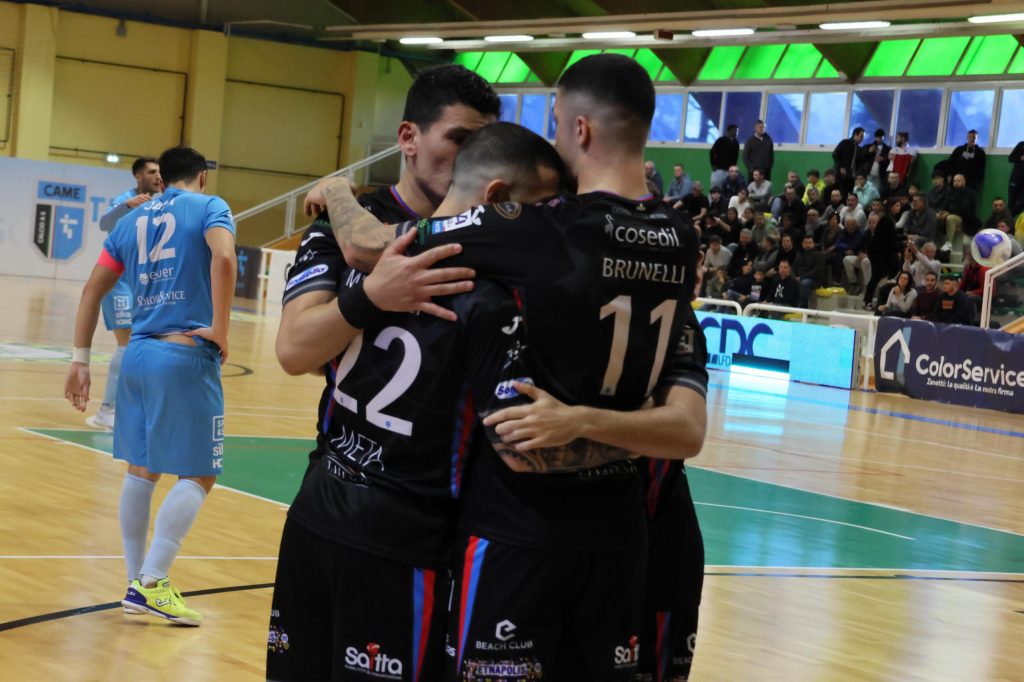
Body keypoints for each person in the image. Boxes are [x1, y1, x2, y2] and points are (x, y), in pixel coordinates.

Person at [313, 53, 707, 681]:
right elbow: (686, 426)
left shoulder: (548, 227)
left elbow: (371, 246)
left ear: (579, 129)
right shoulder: (683, 238)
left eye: (555, 122)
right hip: (624, 521)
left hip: (519, 524)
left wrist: (335, 189)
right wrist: (611, 427)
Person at [270, 123, 566, 682]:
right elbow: (518, 447)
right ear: (498, 199)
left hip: (317, 508)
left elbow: (307, 358)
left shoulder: (361, 257)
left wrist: (337, 191)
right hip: (402, 541)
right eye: (540, 209)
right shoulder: (487, 299)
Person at [64, 145, 236, 626]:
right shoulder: (210, 206)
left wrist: (80, 359)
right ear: (201, 176)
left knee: (141, 470)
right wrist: (222, 330)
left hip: (136, 356)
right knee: (200, 473)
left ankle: (136, 581)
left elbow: (92, 290)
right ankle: (153, 582)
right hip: (182, 355)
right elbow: (224, 259)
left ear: (162, 179)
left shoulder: (130, 221)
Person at [84, 157, 162, 431]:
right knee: (125, 344)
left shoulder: (160, 202)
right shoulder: (126, 199)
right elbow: (104, 223)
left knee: (141, 345)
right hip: (118, 281)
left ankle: (127, 407)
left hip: (142, 280)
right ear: (138, 176)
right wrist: (126, 205)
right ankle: (107, 410)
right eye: (152, 172)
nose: (157, 176)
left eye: (160, 172)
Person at [862, 212, 898, 309]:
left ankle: (867, 301)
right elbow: (892, 244)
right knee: (875, 278)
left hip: (877, 256)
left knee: (875, 279)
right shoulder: (886, 234)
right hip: (879, 257)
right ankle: (867, 301)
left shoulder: (879, 234)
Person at [938, 173, 978, 252]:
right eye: (954, 181)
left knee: (950, 218)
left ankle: (948, 243)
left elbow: (965, 209)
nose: (956, 183)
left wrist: (949, 213)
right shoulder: (951, 192)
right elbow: (945, 205)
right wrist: (941, 212)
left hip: (964, 218)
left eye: (958, 181)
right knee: (936, 216)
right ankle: (935, 242)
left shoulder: (969, 193)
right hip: (951, 214)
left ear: (964, 182)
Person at [793, 234, 826, 307]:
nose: (807, 245)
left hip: (814, 280)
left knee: (804, 283)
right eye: (805, 243)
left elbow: (817, 271)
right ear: (802, 244)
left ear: (814, 244)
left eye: (810, 243)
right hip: (800, 278)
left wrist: (801, 277)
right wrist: (794, 277)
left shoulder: (820, 254)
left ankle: (803, 306)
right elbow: (793, 268)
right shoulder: (799, 255)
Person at [833, 127, 865, 194]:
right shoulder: (845, 143)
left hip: (852, 176)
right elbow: (835, 154)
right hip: (841, 173)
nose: (862, 138)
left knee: (849, 193)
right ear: (855, 135)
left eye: (863, 137)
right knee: (840, 192)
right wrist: (841, 167)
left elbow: (859, 162)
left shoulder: (859, 149)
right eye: (861, 136)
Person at [710, 124, 740, 189]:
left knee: (726, 189)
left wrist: (734, 167)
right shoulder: (721, 140)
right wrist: (713, 164)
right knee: (716, 188)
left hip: (729, 170)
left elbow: (736, 157)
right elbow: (712, 152)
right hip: (718, 169)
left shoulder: (736, 143)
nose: (736, 132)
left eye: (737, 131)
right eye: (735, 130)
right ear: (730, 131)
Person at [1009, 140, 1024, 215]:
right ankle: (1007, 220)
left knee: (1022, 204)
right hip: (1016, 180)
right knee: (1011, 204)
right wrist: (1021, 158)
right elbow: (1011, 158)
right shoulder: (1021, 144)